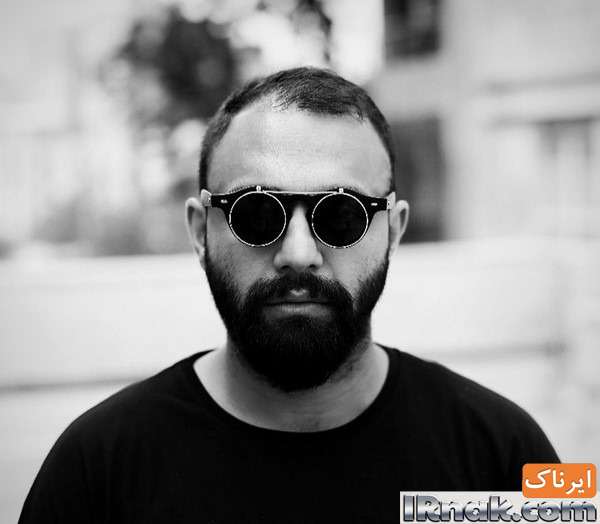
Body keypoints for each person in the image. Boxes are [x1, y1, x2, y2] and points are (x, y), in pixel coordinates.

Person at [19, 67, 558, 524]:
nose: (299, 253)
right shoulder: (94, 467)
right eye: (257, 213)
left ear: (393, 232)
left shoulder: (512, 450)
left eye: (341, 214)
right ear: (200, 231)